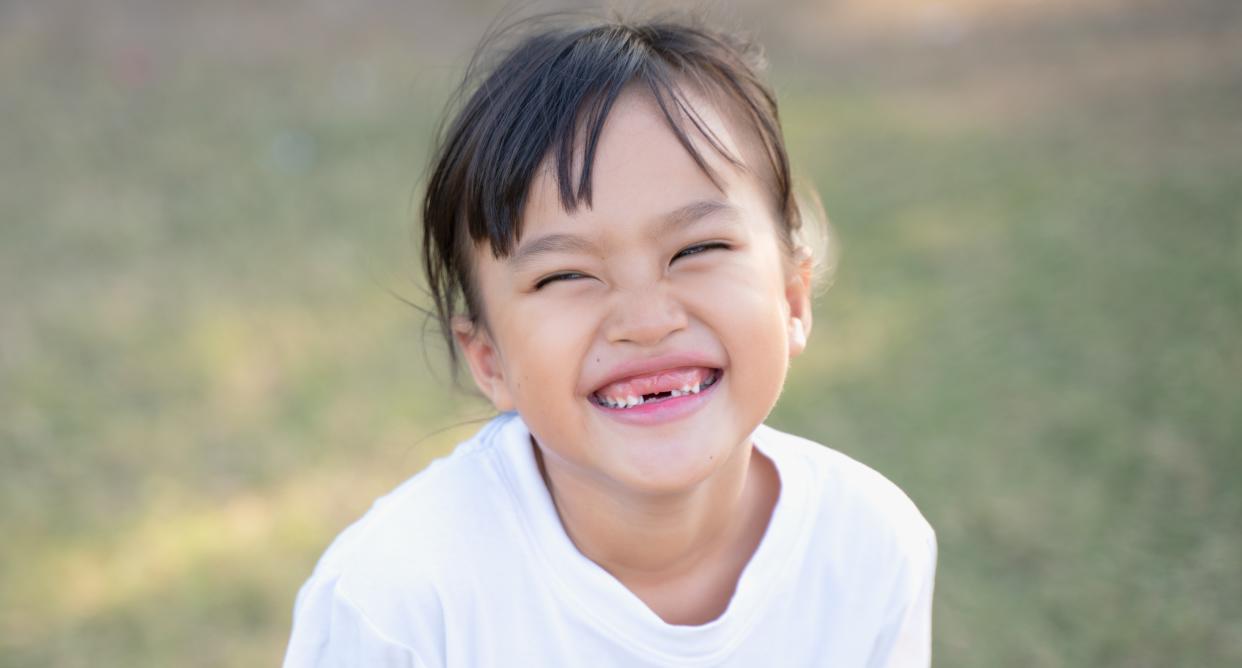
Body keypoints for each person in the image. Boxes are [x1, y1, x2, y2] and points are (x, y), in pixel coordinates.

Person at [284, 13, 936, 667]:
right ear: (489, 359)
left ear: (793, 296)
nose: (647, 320)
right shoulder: (398, 605)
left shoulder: (869, 550)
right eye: (566, 274)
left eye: (699, 248)